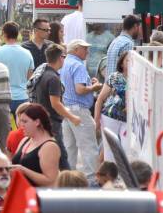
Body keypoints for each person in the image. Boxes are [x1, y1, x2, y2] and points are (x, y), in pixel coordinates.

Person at [29, 42, 73, 170]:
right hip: (52, 123)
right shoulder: (53, 78)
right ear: (60, 58)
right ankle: (69, 181)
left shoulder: (42, 73)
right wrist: (72, 117)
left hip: (43, 120)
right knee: (62, 157)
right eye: (64, 56)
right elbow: (55, 104)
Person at [60, 39, 101, 175]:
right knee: (89, 146)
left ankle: (68, 177)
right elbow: (80, 89)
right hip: (79, 110)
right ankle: (92, 178)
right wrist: (94, 87)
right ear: (76, 49)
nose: (87, 52)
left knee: (69, 147)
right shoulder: (78, 65)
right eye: (85, 49)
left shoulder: (65, 63)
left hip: (66, 108)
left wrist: (90, 85)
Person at [11, 103, 62, 186]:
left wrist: (24, 170)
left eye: (25, 121)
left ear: (37, 122)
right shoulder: (25, 140)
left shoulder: (49, 146)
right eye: (21, 121)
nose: (21, 125)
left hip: (39, 193)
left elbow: (51, 181)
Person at [95, 51, 129, 163]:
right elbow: (100, 99)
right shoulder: (115, 77)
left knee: (127, 148)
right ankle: (109, 172)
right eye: (127, 60)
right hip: (110, 116)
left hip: (128, 120)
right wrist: (97, 120)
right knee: (109, 149)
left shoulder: (140, 78)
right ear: (121, 63)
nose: (130, 63)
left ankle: (122, 172)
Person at [105, 15, 141, 80]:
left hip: (110, 84)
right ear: (135, 26)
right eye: (139, 27)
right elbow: (128, 69)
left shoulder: (115, 41)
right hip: (119, 84)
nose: (139, 31)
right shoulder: (128, 44)